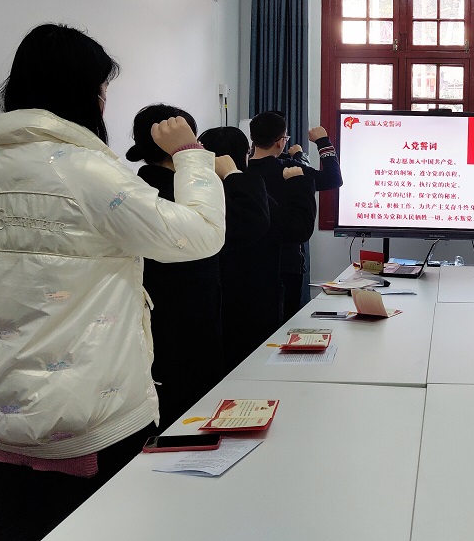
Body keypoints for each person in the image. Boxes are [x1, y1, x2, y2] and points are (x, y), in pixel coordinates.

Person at [0, 24, 226, 541]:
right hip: (88, 417)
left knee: (26, 538)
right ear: (82, 93)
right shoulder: (88, 172)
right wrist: (191, 153)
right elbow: (202, 234)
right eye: (101, 90)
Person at [126, 105, 236, 430]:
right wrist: (229, 174)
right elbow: (232, 227)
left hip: (157, 327)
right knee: (192, 414)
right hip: (187, 324)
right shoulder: (177, 192)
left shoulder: (135, 189)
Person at [198, 126, 313, 372]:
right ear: (245, 155)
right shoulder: (248, 191)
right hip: (253, 305)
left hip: (205, 310)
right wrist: (299, 183)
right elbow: (296, 230)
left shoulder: (193, 194)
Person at [278, 122, 343, 315]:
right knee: (287, 320)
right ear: (280, 142)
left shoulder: (245, 173)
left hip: (252, 263)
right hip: (288, 262)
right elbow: (333, 178)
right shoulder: (291, 168)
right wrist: (322, 142)